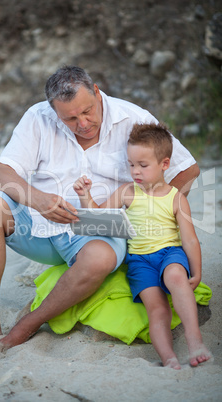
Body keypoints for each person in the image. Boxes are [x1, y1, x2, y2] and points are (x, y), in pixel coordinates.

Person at [0, 65, 200, 351]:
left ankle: (29, 323)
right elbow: (0, 176)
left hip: (101, 231)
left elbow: (186, 169)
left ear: (97, 92)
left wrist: (151, 211)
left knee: (99, 258)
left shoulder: (133, 118)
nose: (83, 123)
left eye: (87, 111)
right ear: (54, 111)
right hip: (42, 227)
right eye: (71, 118)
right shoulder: (37, 118)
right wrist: (37, 199)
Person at [73, 122, 211, 369]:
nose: (135, 171)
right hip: (140, 260)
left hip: (170, 253)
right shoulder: (128, 191)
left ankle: (195, 342)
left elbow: (189, 238)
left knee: (177, 278)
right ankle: (168, 357)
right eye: (131, 164)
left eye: (143, 165)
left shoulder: (175, 198)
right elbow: (99, 215)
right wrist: (85, 195)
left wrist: (197, 271)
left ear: (164, 164)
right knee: (156, 309)